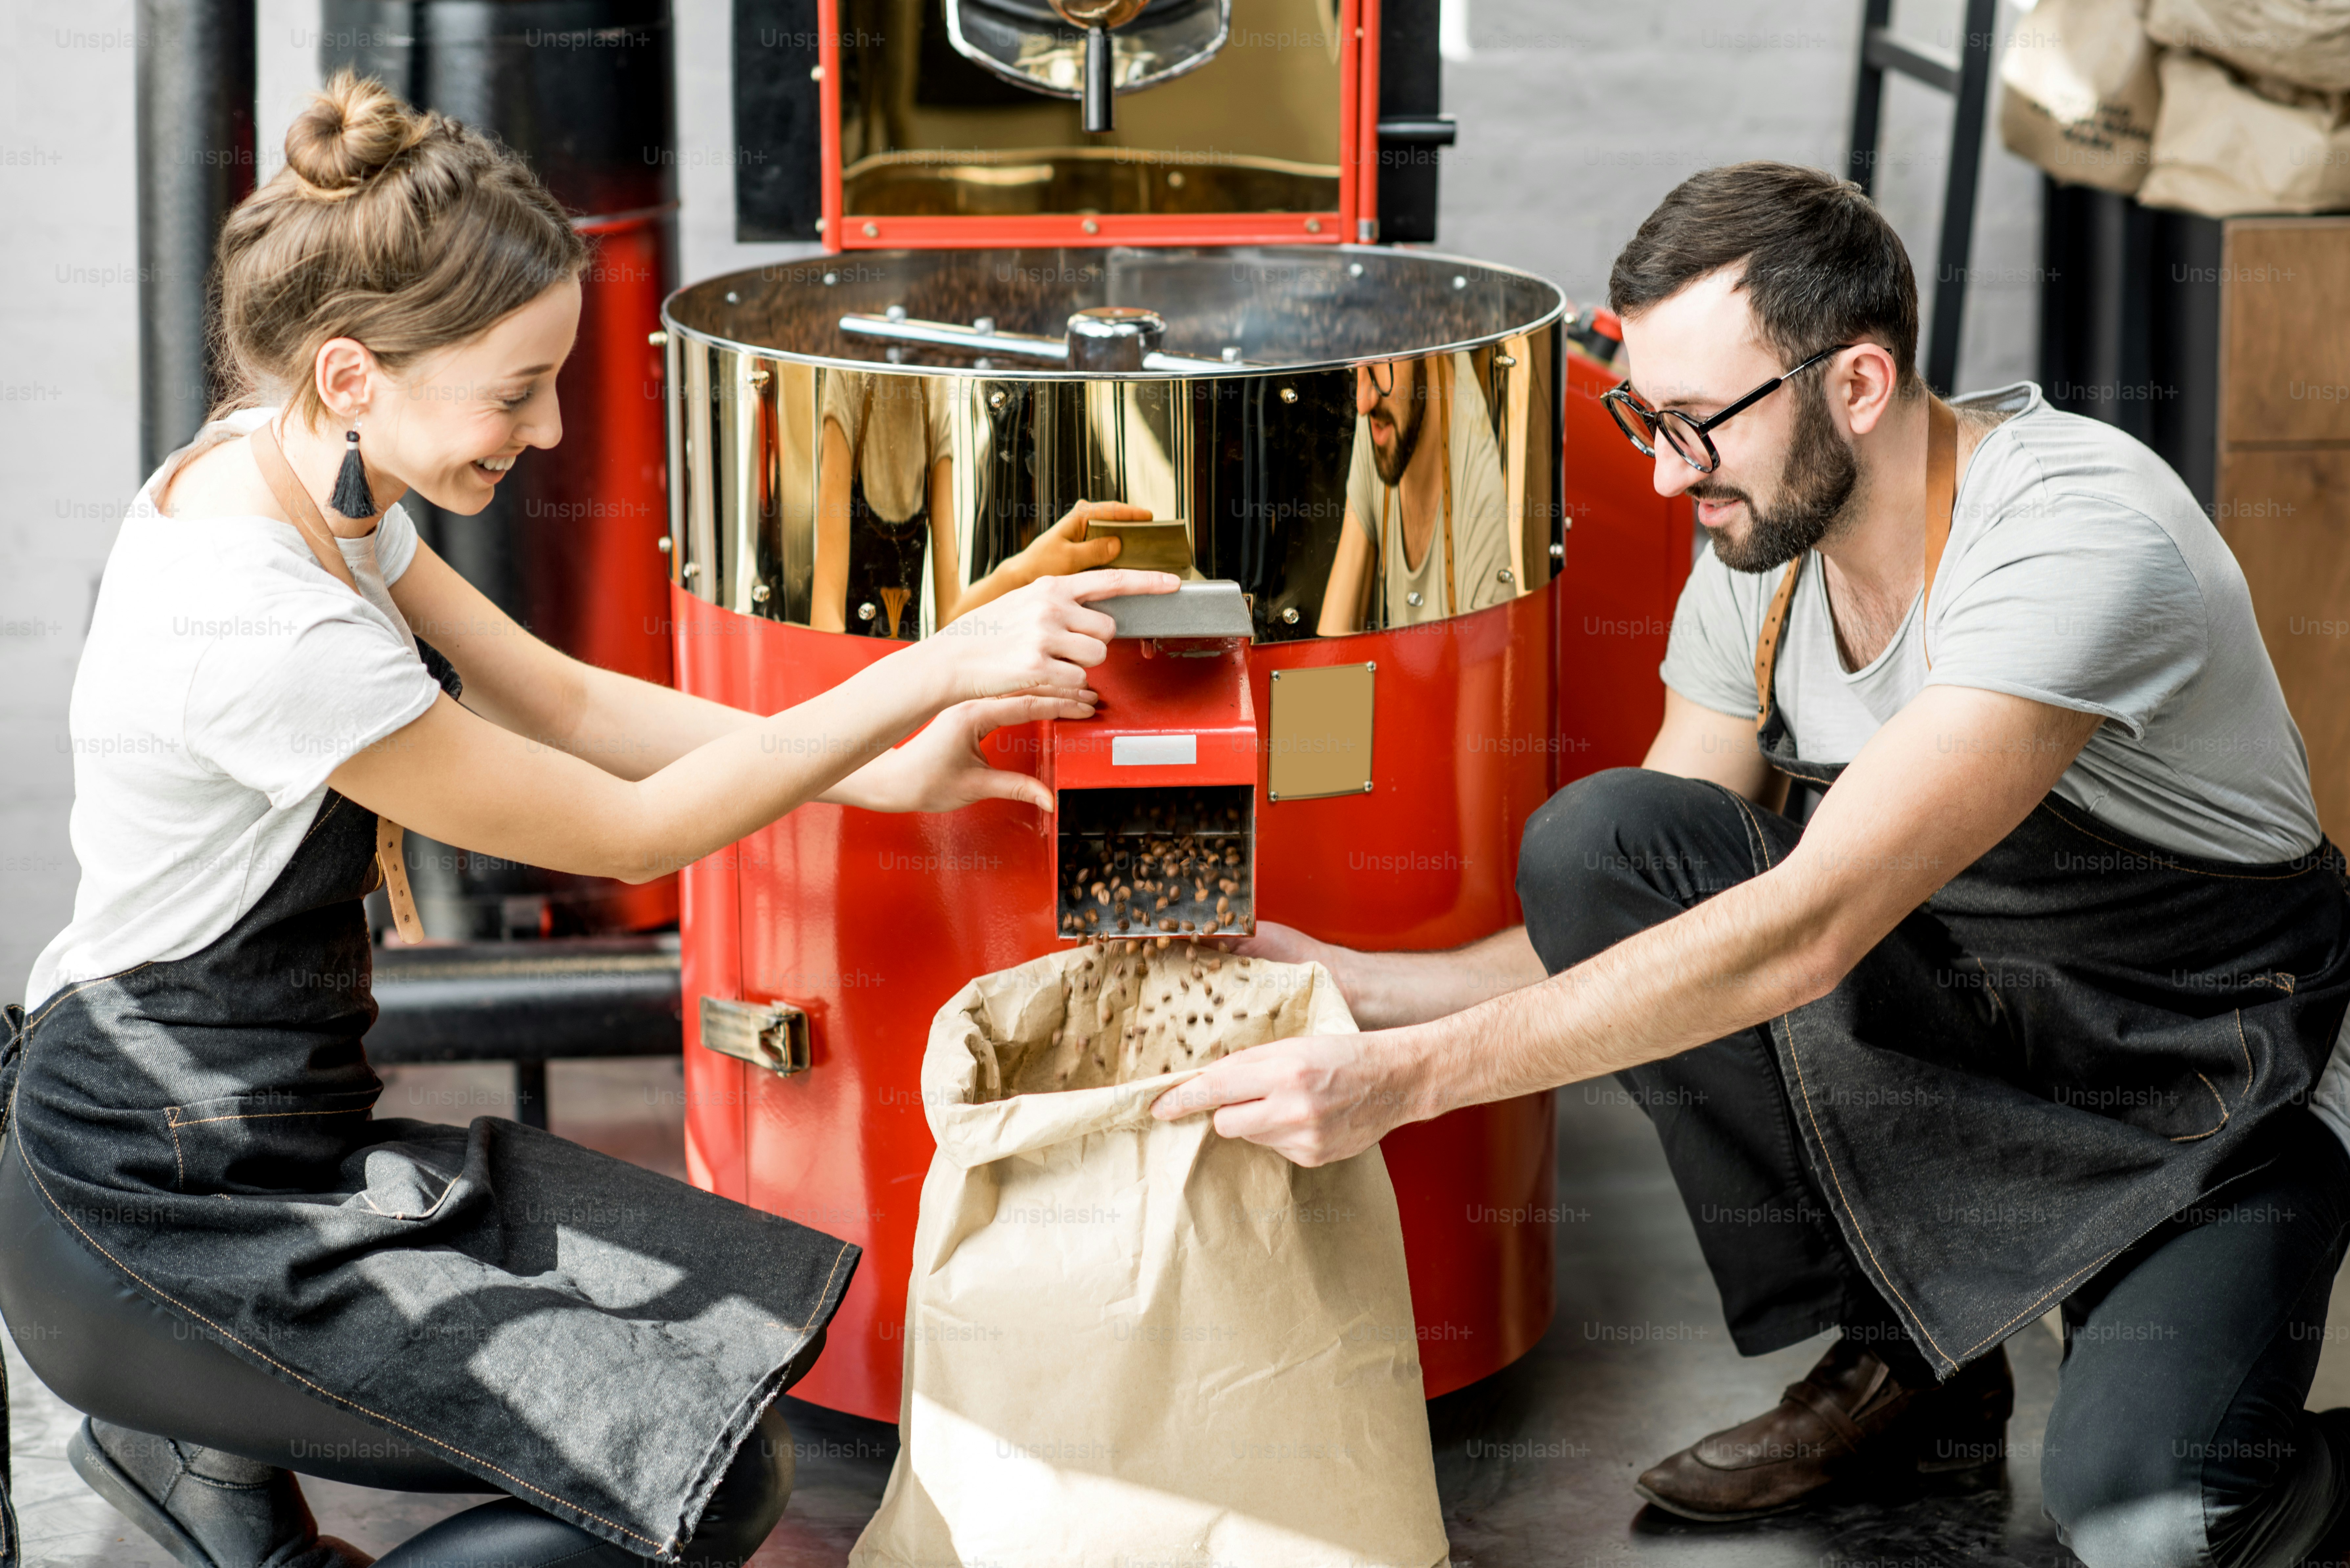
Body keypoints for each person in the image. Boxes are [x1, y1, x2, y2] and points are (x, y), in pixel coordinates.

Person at [0, 73, 1172, 1568]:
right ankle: (195, 1440)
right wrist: (929, 670)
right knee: (703, 1486)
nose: (551, 430)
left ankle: (202, 1467)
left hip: (250, 1146)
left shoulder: (298, 471)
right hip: (156, 1202)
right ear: (355, 373)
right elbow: (630, 835)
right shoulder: (263, 627)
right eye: (513, 390)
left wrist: (893, 761)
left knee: (716, 1386)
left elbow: (567, 705)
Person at [1160, 162, 2350, 1568]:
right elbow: (1632, 904)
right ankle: (1911, 1368)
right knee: (1604, 839)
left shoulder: (2077, 539)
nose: (1662, 474)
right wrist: (1371, 990)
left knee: (2151, 1525)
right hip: (1972, 1047)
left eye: (1691, 425)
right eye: (1639, 418)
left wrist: (1401, 1089)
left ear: (1856, 383)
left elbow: (1800, 933)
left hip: (2205, 1098)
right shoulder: (1757, 555)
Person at [813, 368, 1151, 638]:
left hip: (907, 669)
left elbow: (950, 618)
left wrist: (1032, 568)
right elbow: (825, 614)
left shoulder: (932, 394)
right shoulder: (849, 377)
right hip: (850, 672)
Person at [1317, 351, 1515, 633]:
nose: (1362, 402)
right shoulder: (1382, 417)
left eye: (1378, 360)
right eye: (1356, 359)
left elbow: (1483, 672)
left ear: (1431, 340)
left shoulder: (1481, 472)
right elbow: (1332, 650)